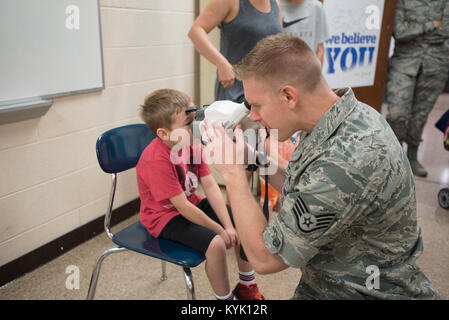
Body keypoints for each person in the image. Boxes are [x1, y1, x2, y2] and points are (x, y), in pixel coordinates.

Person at [201, 34, 441, 299]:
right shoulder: (342, 116)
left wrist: (233, 173)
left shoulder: (347, 157)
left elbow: (266, 259)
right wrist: (252, 159)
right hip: (337, 277)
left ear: (289, 96)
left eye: (256, 105)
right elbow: (307, 186)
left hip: (358, 291)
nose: (253, 116)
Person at [136, 88, 264, 300]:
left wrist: (230, 226)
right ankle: (225, 300)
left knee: (240, 221)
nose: (196, 127)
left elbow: (211, 185)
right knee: (215, 245)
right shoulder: (156, 159)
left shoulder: (192, 145)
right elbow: (181, 207)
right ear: (164, 134)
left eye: (195, 119)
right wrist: (219, 230)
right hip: (164, 217)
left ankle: (247, 285)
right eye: (189, 124)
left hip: (190, 203)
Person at [386, 0, 449, 177]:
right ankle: (392, 155)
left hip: (435, 64)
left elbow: (445, 31)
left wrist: (413, 27)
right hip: (405, 61)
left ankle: (412, 156)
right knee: (397, 113)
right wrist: (432, 24)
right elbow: (398, 31)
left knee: (420, 115)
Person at [188, 0, 282, 103]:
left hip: (268, 92)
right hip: (236, 91)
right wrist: (222, 64)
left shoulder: (275, 3)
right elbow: (196, 31)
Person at [280, 0, 329, 65]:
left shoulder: (317, 7)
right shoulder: (275, 6)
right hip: (282, 70)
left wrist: (315, 73)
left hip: (309, 71)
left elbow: (320, 48)